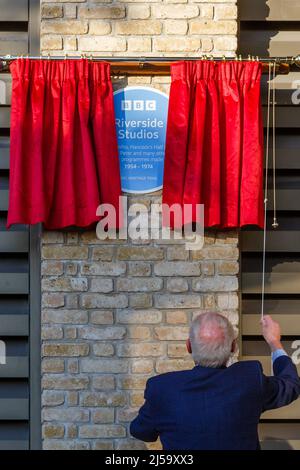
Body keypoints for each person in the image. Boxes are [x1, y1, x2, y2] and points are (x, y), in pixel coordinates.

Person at [130, 313, 300, 450]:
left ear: (189, 346)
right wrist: (273, 341)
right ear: (233, 347)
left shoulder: (162, 389)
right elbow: (291, 384)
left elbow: (141, 432)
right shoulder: (249, 380)